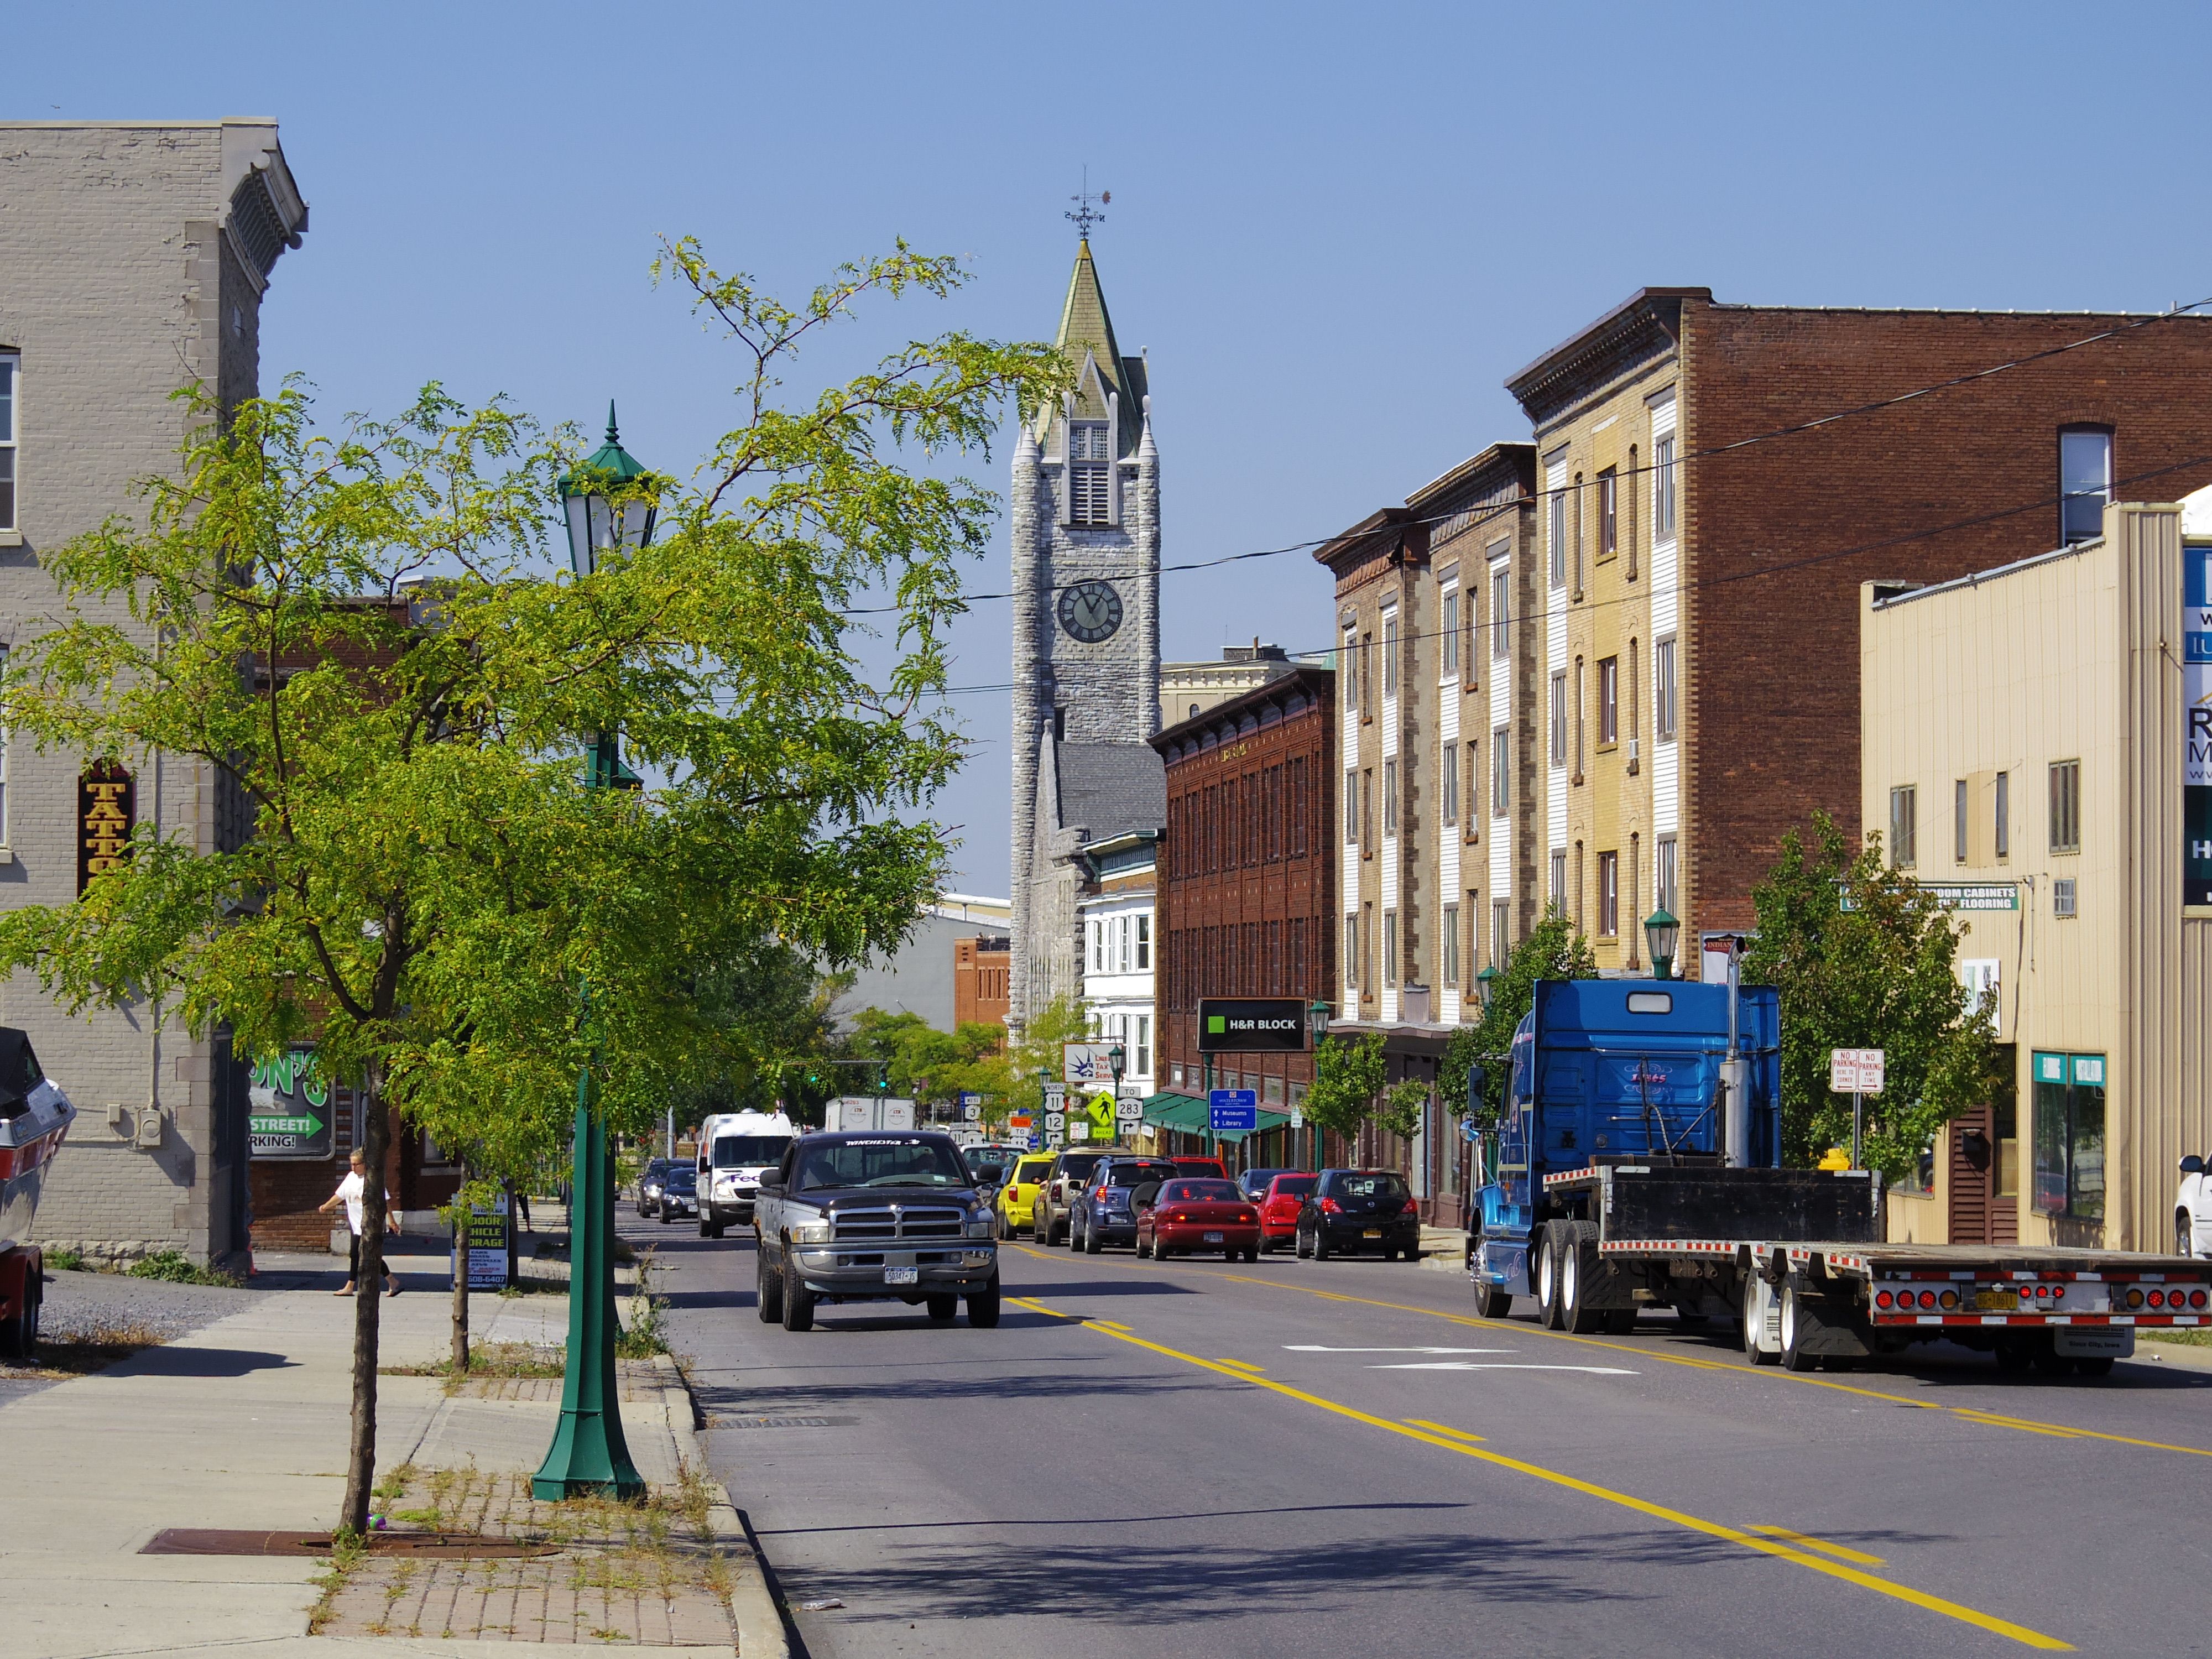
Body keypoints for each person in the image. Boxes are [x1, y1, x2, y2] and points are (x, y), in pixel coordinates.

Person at [319, 1148, 400, 1297]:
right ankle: (392, 1282)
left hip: (369, 1225)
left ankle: (351, 1287)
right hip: (356, 1225)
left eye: (356, 1164)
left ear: (365, 1164)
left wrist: (391, 1221)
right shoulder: (350, 1177)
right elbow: (340, 1195)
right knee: (362, 1255)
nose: (353, 1168)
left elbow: (386, 1202)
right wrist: (326, 1206)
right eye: (352, 1164)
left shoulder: (372, 1179)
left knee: (362, 1255)